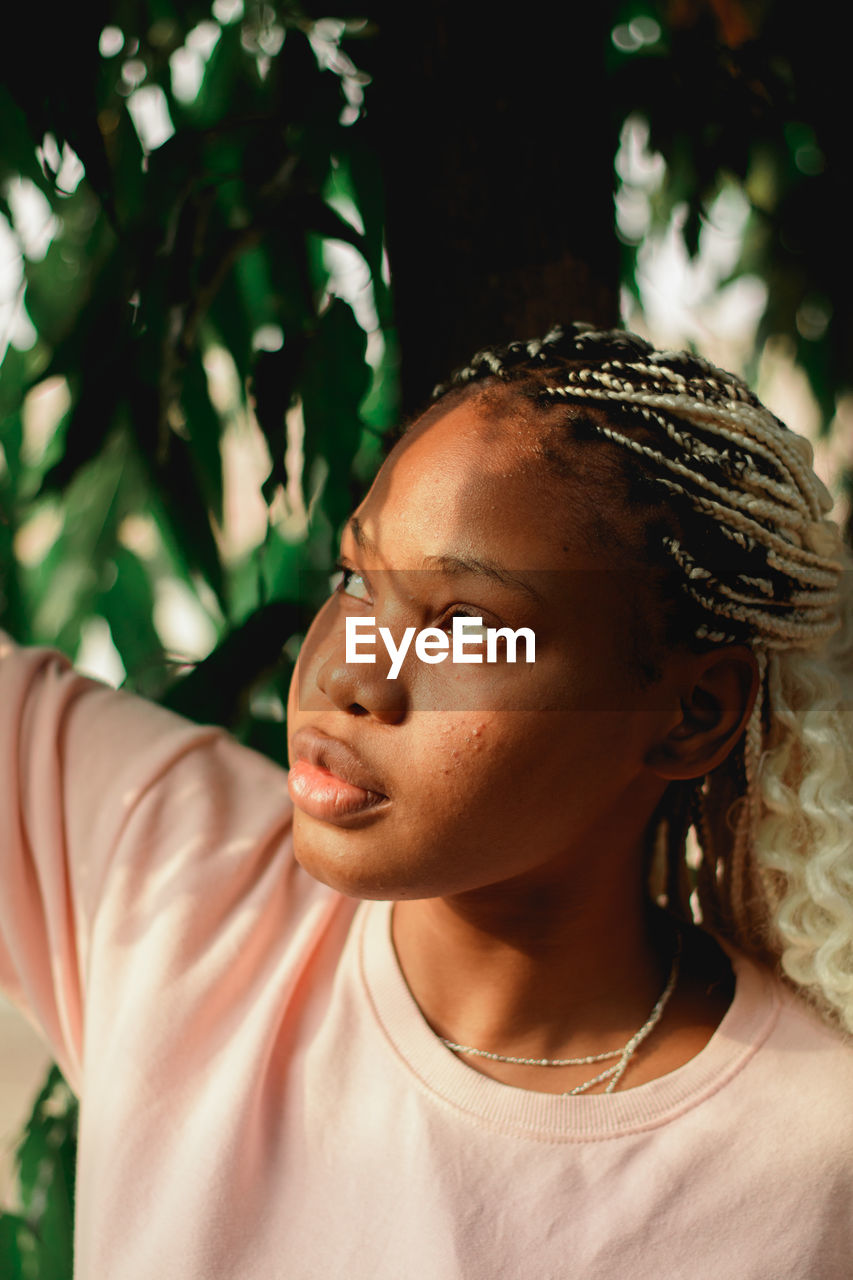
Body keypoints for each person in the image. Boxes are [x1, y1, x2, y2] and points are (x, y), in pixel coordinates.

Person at [2, 322, 852, 1278]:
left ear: (690, 711)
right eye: (357, 580)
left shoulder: (810, 1168)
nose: (349, 674)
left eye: (463, 625)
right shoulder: (171, 881)